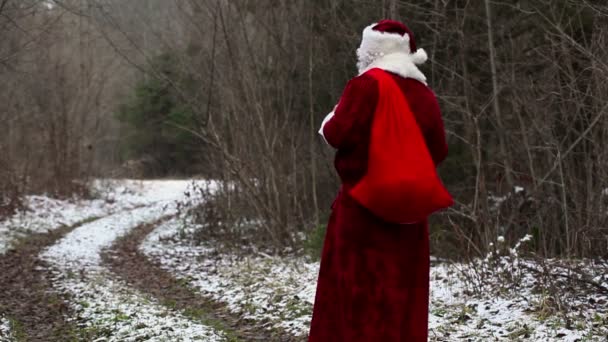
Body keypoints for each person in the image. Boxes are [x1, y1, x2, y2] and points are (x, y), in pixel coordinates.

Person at [309, 20, 449, 341]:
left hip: (362, 210)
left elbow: (336, 133)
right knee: (401, 300)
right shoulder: (424, 92)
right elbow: (439, 149)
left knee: (356, 301)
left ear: (371, 50)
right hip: (410, 216)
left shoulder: (366, 85)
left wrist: (332, 115)